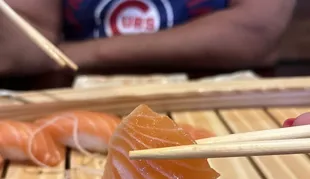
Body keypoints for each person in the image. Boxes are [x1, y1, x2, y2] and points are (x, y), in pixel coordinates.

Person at [0, 0, 296, 76]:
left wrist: (66, 56)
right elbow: (26, 48)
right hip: (71, 102)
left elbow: (254, 34)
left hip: (228, 96)